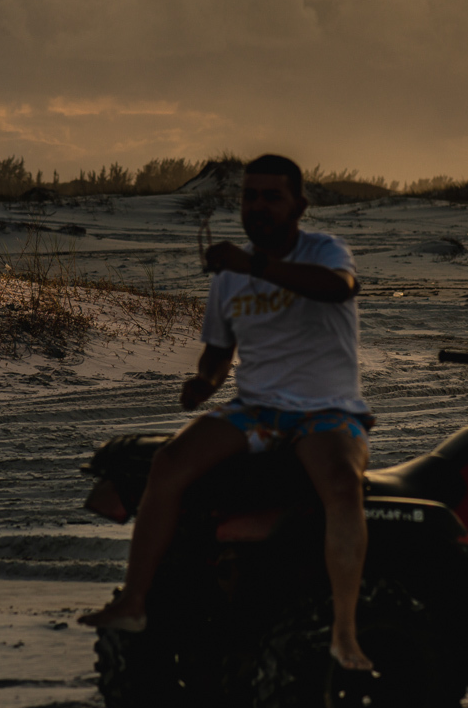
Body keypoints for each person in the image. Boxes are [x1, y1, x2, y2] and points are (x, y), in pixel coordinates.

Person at [80, 154, 375, 671]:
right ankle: (135, 602)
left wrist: (253, 265)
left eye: (271, 197)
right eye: (250, 196)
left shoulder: (324, 252)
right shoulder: (229, 277)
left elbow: (338, 289)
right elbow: (219, 351)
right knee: (168, 464)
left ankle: (344, 632)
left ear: (298, 206)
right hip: (257, 409)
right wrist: (203, 382)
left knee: (343, 486)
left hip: (326, 411)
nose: (258, 206)